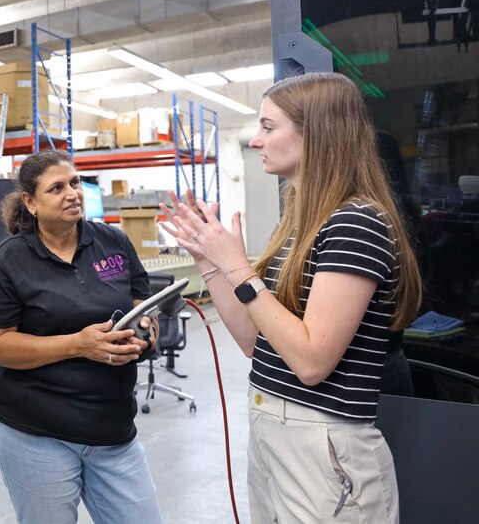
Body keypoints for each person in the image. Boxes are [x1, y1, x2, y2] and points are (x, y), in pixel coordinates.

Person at [161, 72, 422, 524]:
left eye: (268, 126)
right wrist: (210, 263)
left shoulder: (355, 223)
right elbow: (252, 341)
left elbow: (311, 361)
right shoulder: (302, 225)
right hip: (272, 428)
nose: (257, 141)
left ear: (315, 133)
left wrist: (240, 268)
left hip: (322, 440)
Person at [0, 149, 164, 524]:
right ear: (30, 202)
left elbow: (142, 304)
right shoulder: (11, 259)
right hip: (38, 432)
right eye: (57, 188)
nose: (73, 193)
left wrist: (145, 334)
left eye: (76, 183)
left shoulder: (113, 241)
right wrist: (78, 345)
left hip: (113, 427)